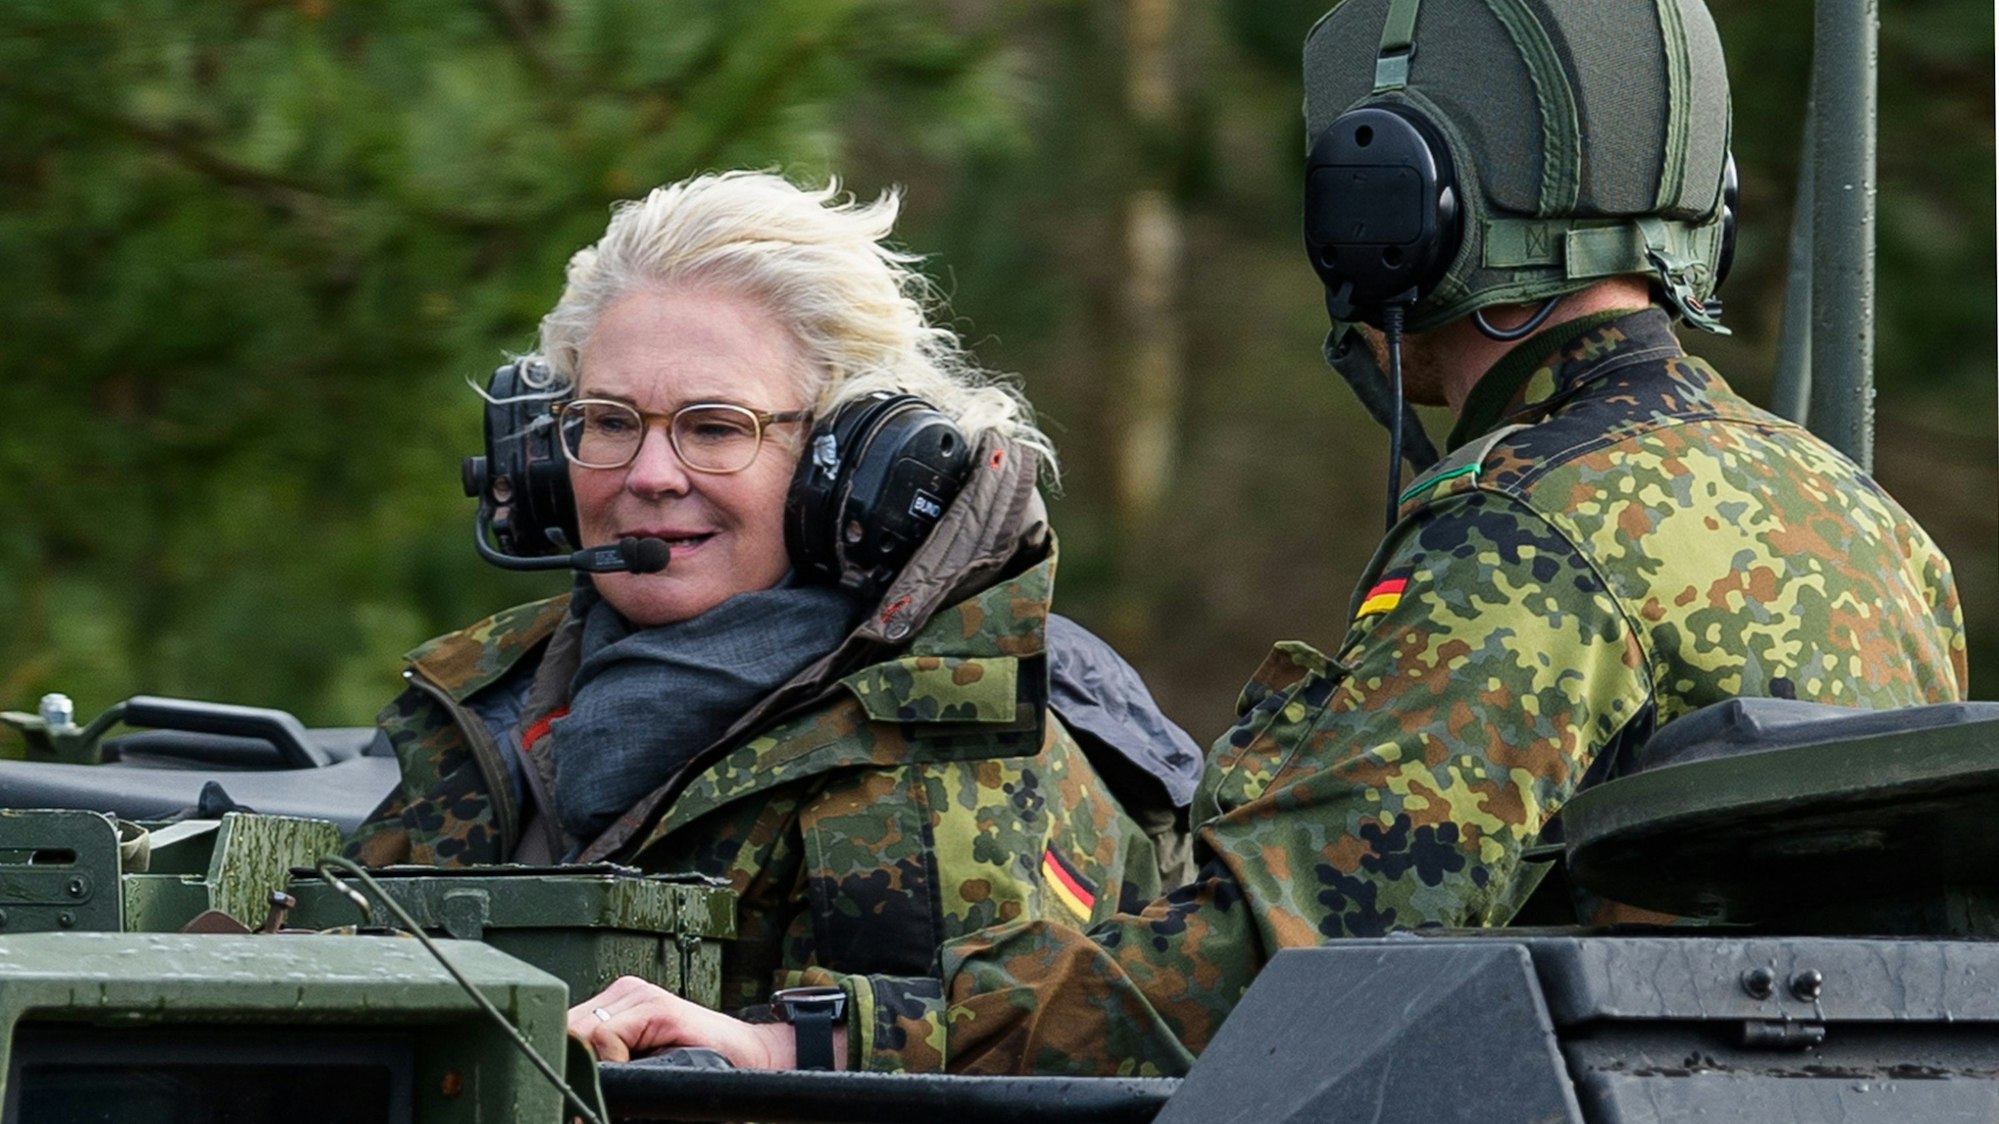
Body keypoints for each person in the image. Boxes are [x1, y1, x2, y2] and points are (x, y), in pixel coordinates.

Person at [565, 0, 1968, 1075]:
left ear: (1392, 208)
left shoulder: (1529, 536)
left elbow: (1272, 961)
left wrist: (809, 1047)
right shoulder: (1860, 519)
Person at [344, 171, 1203, 1018]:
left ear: (851, 467)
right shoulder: (486, 700)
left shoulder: (960, 756)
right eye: (608, 421)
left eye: (715, 428)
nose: (648, 476)